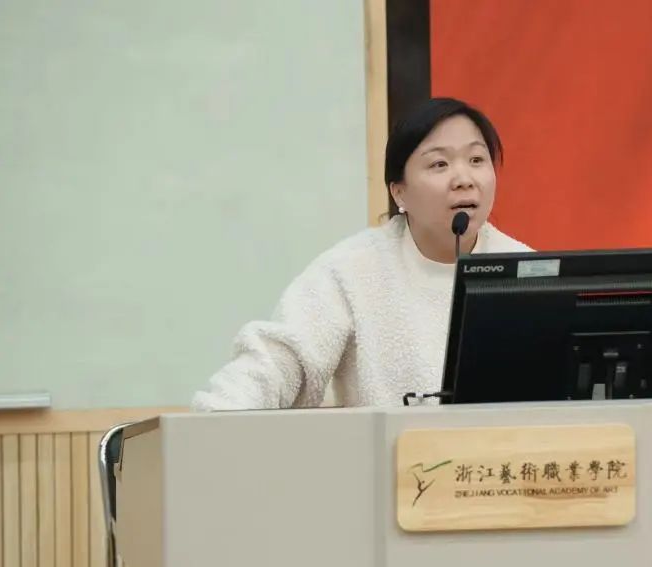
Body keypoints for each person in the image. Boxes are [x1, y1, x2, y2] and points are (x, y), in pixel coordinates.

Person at [192, 97, 532, 411]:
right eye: (439, 164)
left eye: (476, 160)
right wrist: (217, 417)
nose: (464, 179)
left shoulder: (528, 268)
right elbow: (278, 359)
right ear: (399, 192)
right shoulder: (352, 269)